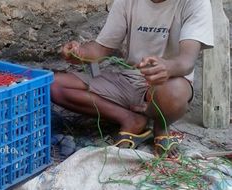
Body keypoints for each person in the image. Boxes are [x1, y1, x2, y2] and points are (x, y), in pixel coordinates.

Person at [51, 0, 214, 160]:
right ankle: (131, 119)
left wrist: (167, 67)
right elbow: (100, 49)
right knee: (53, 85)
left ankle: (161, 127)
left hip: (167, 84)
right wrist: (79, 53)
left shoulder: (195, 3)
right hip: (129, 81)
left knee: (175, 91)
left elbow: (186, 62)